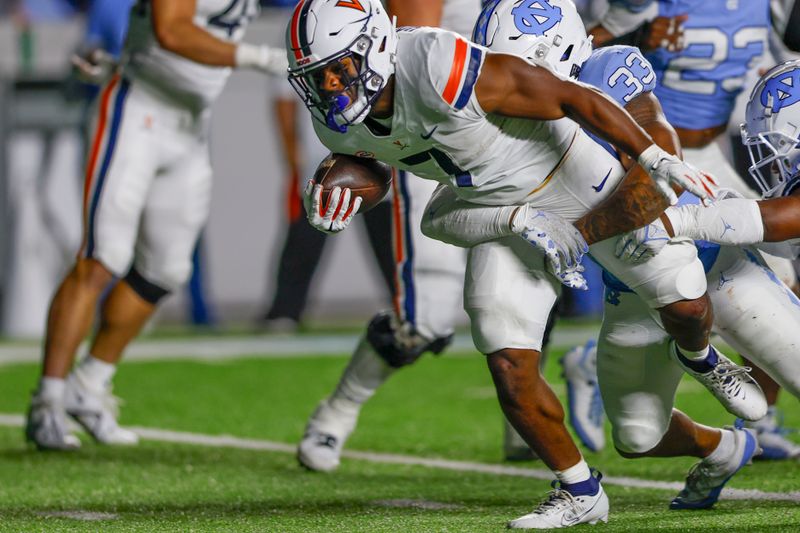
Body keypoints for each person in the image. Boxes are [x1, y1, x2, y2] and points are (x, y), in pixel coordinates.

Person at [286, 0, 763, 527]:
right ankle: (580, 489)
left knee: (685, 302)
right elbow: (377, 158)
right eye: (316, 77)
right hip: (495, 208)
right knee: (507, 360)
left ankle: (701, 358)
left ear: (375, 47)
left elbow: (566, 95)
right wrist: (345, 188)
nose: (329, 87)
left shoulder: (436, 62)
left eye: (339, 70)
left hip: (571, 174)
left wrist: (652, 157)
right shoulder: (333, 122)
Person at [25, 0, 288, 451]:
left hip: (191, 124)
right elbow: (171, 29)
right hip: (137, 112)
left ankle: (89, 386)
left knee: (166, 270)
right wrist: (262, 58)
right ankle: (47, 402)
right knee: (102, 258)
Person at [297, 0, 479, 471]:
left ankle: (526, 432)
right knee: (425, 320)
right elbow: (409, 75)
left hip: (507, 140)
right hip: (430, 138)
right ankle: (335, 414)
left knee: (535, 292)